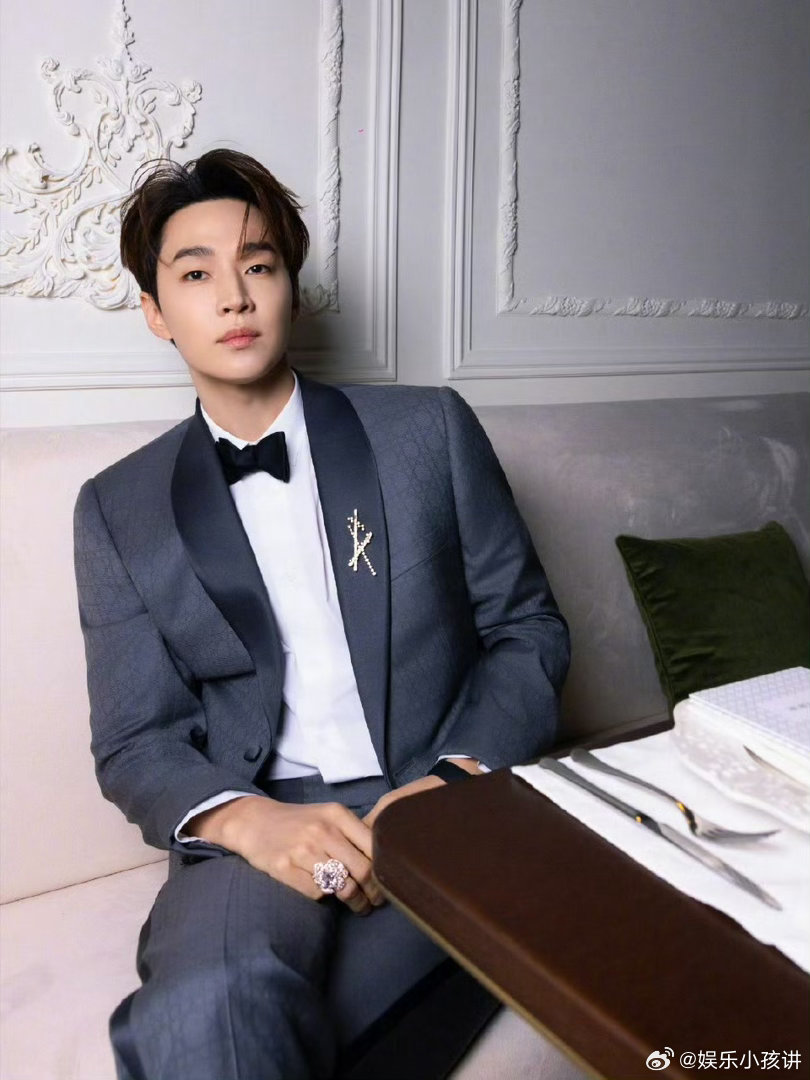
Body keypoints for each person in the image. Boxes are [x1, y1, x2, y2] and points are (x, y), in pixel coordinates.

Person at [73, 148, 570, 1080]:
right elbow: (136, 741)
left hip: (436, 795)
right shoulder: (117, 507)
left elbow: (526, 630)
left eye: (258, 264)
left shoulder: (427, 430)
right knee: (207, 1013)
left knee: (339, 1035)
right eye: (196, 274)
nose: (234, 296)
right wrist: (248, 824)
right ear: (155, 312)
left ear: (291, 287)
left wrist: (452, 782)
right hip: (255, 822)